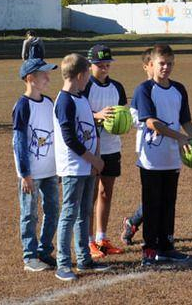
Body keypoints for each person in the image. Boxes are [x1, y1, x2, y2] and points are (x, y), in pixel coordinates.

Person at [134, 43, 192, 266]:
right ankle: (149, 250)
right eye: (162, 63)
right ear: (151, 64)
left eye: (170, 63)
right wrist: (180, 137)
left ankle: (166, 246)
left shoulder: (179, 89)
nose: (166, 68)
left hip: (173, 157)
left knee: (168, 203)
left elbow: (186, 121)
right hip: (151, 159)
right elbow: (152, 122)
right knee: (152, 204)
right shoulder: (144, 90)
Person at [53, 54, 109, 281]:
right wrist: (92, 159)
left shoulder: (80, 97)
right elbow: (69, 138)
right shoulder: (65, 100)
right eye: (87, 74)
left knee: (84, 212)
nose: (89, 79)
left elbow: (91, 129)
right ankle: (63, 263)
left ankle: (84, 259)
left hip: (87, 166)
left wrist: (96, 156)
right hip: (73, 167)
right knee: (69, 213)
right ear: (80, 75)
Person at [13, 58, 60, 272]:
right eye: (43, 74)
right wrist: (25, 174)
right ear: (30, 78)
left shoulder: (49, 102)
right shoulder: (22, 105)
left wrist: (58, 167)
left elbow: (56, 136)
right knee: (29, 214)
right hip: (31, 173)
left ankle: (44, 251)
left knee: (53, 211)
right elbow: (19, 142)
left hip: (50, 171)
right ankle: (29, 256)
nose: (48, 78)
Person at [84, 45, 127, 259]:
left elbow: (122, 113)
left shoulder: (117, 87)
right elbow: (79, 115)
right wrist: (97, 115)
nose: (104, 67)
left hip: (112, 147)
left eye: (107, 64)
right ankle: (89, 241)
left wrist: (123, 122)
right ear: (90, 65)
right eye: (100, 64)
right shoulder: (85, 87)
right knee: (90, 195)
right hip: (91, 149)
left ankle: (102, 238)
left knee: (105, 193)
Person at [121, 47, 153, 246]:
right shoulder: (142, 90)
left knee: (160, 196)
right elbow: (133, 118)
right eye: (155, 64)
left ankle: (150, 231)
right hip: (147, 149)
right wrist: (150, 120)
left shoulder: (170, 88)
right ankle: (133, 224)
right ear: (146, 67)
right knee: (152, 195)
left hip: (166, 150)